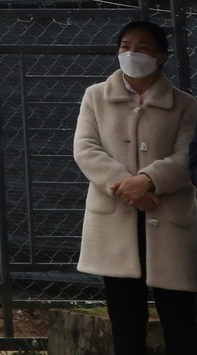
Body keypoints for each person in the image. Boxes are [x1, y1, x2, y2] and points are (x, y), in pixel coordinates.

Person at [73, 19, 197, 354]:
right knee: (125, 319)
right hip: (115, 217)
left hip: (169, 218)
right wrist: (124, 186)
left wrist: (148, 181)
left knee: (181, 318)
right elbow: (85, 148)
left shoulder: (186, 105)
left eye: (142, 48)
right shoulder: (95, 97)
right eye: (125, 47)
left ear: (161, 56)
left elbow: (188, 154)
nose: (131, 54)